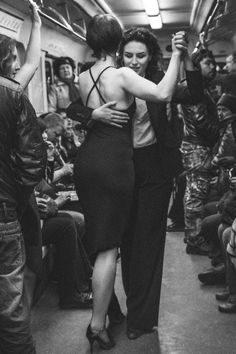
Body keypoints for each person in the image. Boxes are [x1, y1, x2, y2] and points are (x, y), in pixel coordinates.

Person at [68, 26, 203, 341]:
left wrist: (186, 59)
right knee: (115, 242)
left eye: (140, 55)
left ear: (150, 56)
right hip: (120, 168)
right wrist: (93, 114)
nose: (134, 60)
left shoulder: (156, 79)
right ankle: (110, 311)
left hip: (153, 168)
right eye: (128, 54)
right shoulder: (112, 77)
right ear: (119, 53)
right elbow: (73, 107)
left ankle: (140, 320)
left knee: (145, 246)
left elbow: (193, 92)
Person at [0, 1, 47, 353]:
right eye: (11, 59)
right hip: (4, 208)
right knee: (11, 300)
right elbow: (32, 163)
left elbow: (29, 63)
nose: (17, 65)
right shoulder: (13, 94)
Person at [180, 48, 220, 254]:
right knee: (196, 194)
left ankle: (195, 236)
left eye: (213, 63)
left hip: (195, 145)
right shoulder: (193, 89)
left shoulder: (199, 88)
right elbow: (201, 122)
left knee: (195, 192)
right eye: (207, 63)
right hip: (197, 147)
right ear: (196, 66)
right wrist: (221, 132)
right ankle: (194, 240)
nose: (213, 67)